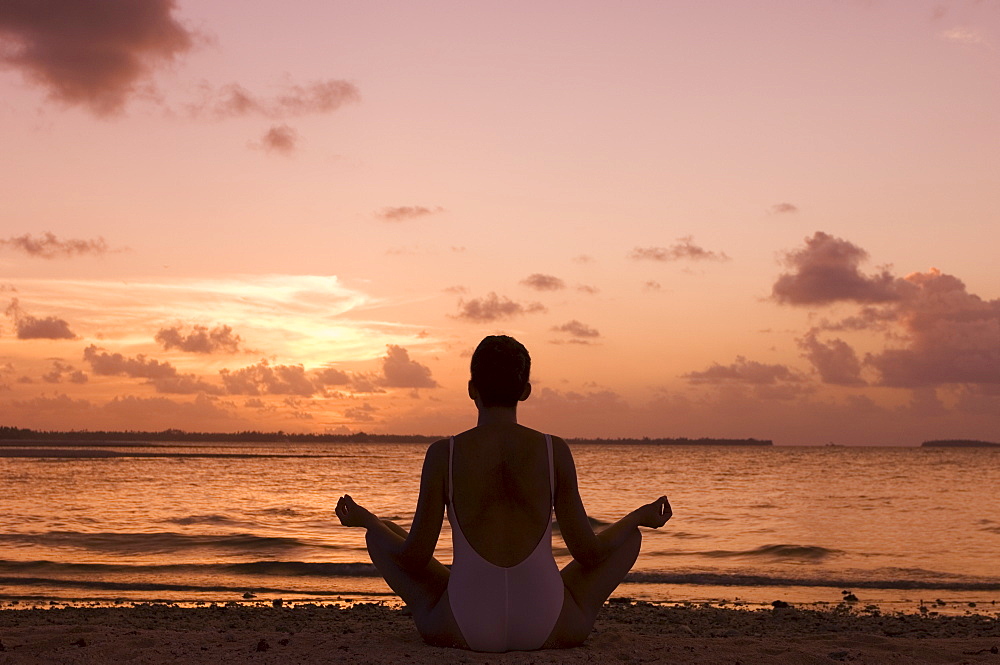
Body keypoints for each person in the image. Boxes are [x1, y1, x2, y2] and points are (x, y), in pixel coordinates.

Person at [336, 335, 671, 652]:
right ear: (525, 391)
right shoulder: (554, 451)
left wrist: (367, 521)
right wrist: (637, 517)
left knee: (383, 533)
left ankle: (448, 581)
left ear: (472, 389)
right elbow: (589, 554)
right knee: (629, 538)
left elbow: (414, 558)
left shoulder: (444, 454)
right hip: (550, 625)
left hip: (462, 627)